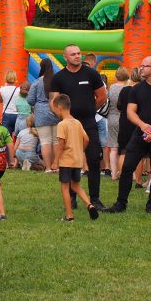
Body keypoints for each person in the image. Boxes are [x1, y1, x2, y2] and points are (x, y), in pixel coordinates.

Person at [50, 44, 107, 213]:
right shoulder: (59, 77)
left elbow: (102, 96)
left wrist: (89, 109)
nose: (77, 56)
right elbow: (53, 103)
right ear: (65, 57)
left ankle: (94, 199)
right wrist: (67, 119)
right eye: (73, 54)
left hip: (89, 123)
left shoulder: (91, 74)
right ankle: (72, 199)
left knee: (94, 160)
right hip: (69, 126)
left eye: (79, 53)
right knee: (69, 162)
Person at [50, 94, 97, 222]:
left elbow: (61, 144)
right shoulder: (77, 122)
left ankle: (69, 216)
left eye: (54, 109)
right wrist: (80, 149)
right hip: (77, 160)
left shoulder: (62, 124)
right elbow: (86, 139)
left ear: (59, 107)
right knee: (75, 185)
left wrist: (55, 161)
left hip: (66, 160)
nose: (54, 112)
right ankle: (89, 204)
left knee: (65, 187)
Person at [29, 58, 58, 172]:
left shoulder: (36, 82)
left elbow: (30, 100)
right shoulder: (56, 80)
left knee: (45, 141)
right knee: (56, 141)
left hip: (41, 113)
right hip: (56, 112)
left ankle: (48, 168)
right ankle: (57, 166)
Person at [105, 67, 130, 178]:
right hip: (125, 119)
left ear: (116, 76)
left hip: (112, 117)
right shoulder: (128, 89)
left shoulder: (111, 88)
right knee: (126, 147)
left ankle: (114, 173)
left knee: (113, 147)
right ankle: (129, 173)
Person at [0, 70, 21, 135]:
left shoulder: (2, 89)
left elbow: (0, 101)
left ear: (6, 78)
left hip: (6, 114)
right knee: (17, 136)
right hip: (16, 114)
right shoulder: (18, 90)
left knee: (6, 137)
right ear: (15, 78)